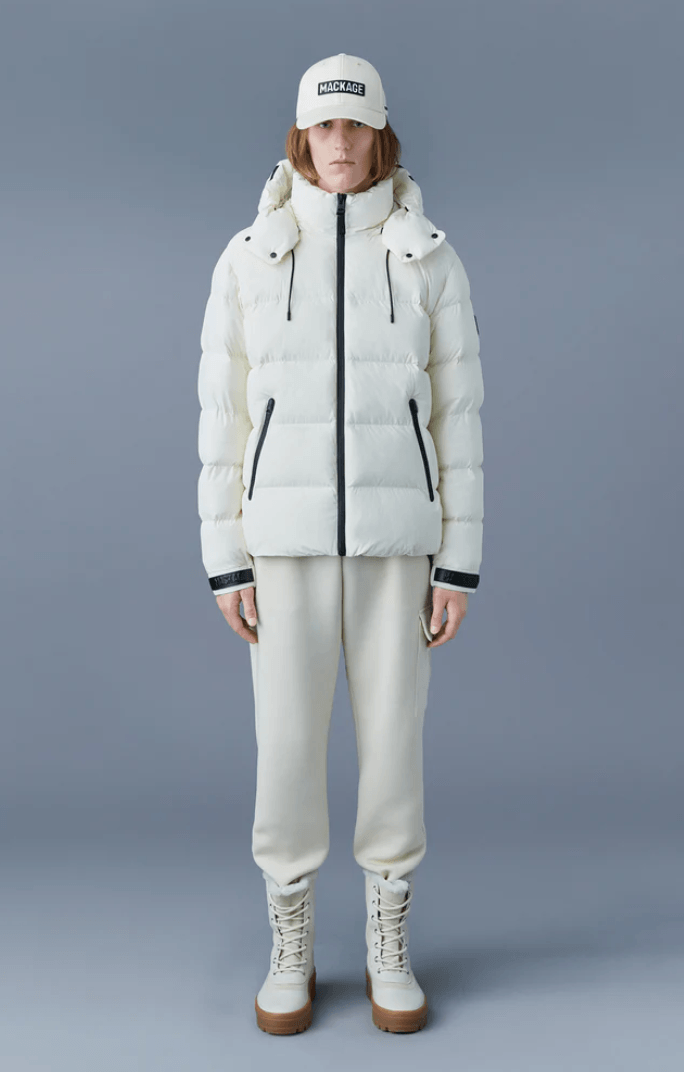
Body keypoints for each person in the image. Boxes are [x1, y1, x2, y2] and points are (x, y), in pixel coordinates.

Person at [197, 53, 484, 1035]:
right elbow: (222, 417)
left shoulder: (429, 258)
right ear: (300, 135)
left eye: (356, 125)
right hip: (281, 547)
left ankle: (387, 942)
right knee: (285, 747)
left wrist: (457, 565)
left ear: (381, 133)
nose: (340, 143)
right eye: (324, 126)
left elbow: (460, 419)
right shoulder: (249, 256)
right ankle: (291, 941)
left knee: (395, 744)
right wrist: (227, 560)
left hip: (399, 547)